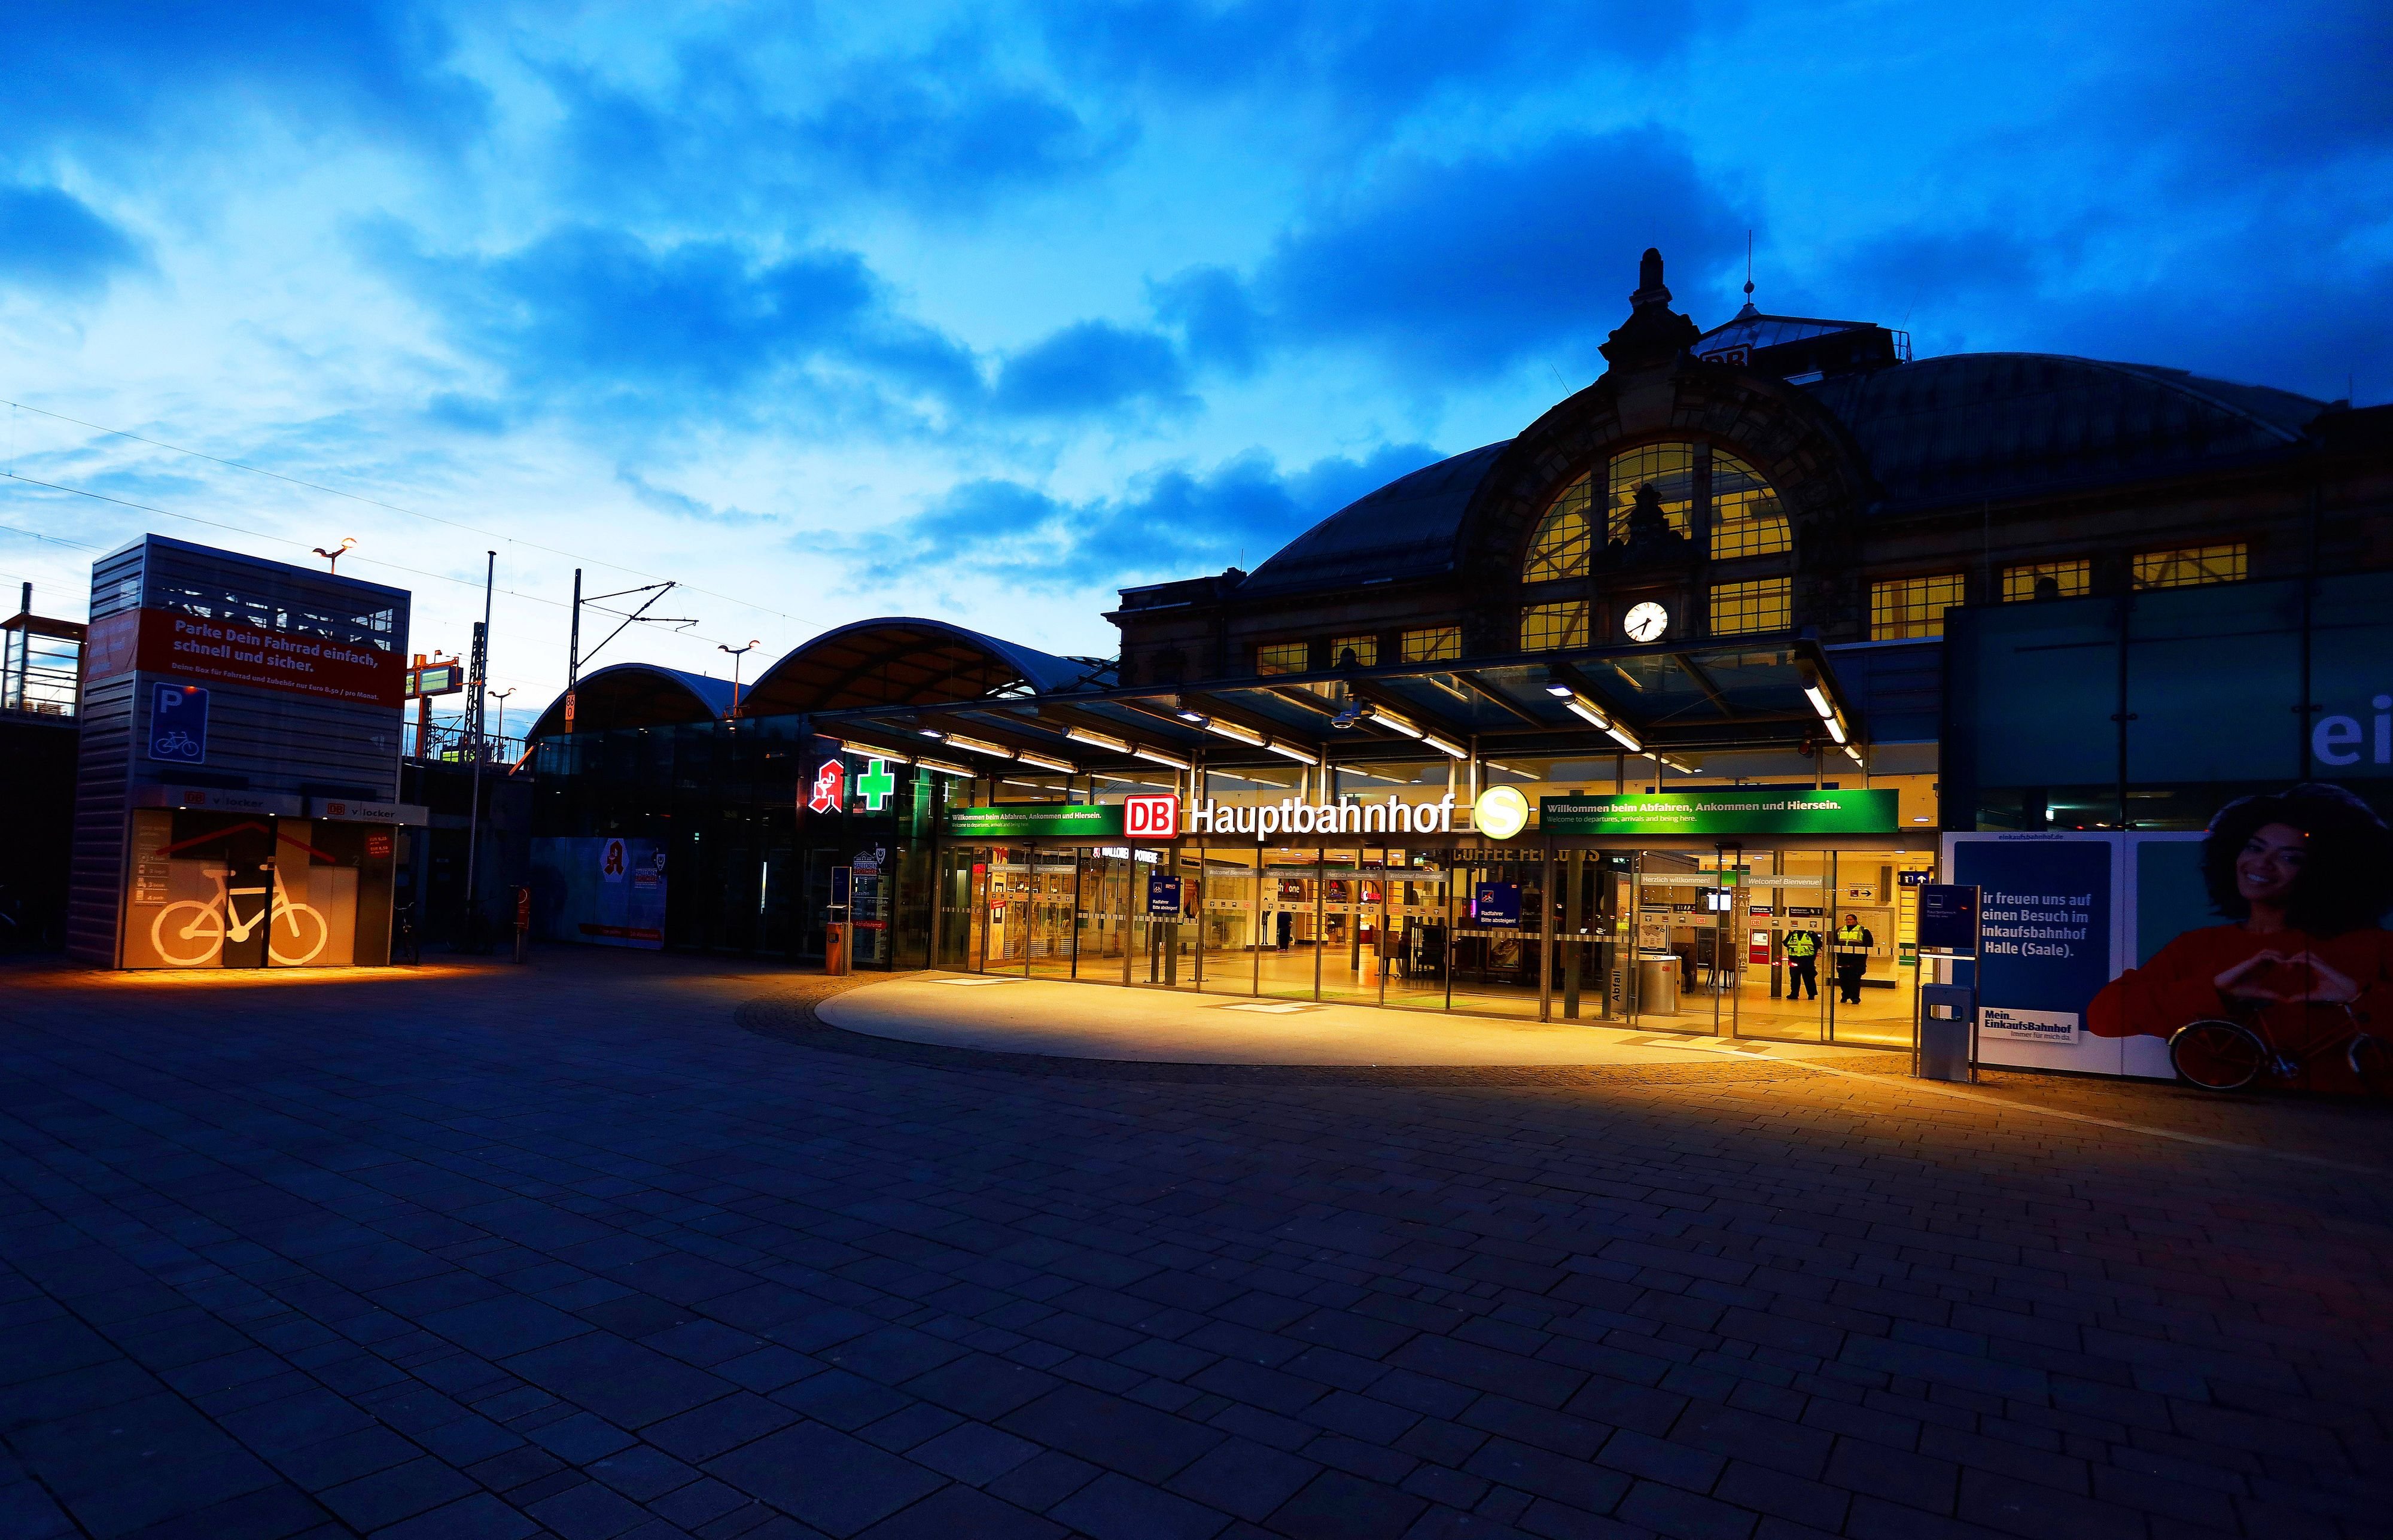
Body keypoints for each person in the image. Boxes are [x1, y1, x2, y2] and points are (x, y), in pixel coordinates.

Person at [2091, 783, 2393, 1092]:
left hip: (2348, 1124)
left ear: (2327, 872)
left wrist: (2358, 998)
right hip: (2216, 1118)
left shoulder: (2375, 946)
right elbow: (2104, 1017)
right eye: (2255, 847)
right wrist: (2214, 992)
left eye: (2291, 858)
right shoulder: (2198, 946)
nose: (2262, 863)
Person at [1832, 913, 1873, 1004]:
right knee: (1843, 980)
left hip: (1857, 961)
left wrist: (1863, 959)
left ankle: (1855, 998)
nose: (1849, 921)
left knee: (1855, 981)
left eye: (1851, 919)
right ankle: (1845, 996)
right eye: (1847, 920)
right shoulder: (1840, 931)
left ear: (1856, 921)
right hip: (1842, 961)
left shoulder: (1863, 931)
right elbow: (1835, 944)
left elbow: (1869, 945)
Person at [1782, 924, 1820, 1000]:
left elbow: (1819, 944)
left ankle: (1811, 995)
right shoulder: (1793, 934)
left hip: (1807, 960)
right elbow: (1785, 943)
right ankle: (1794, 994)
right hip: (1794, 960)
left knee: (1809, 978)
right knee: (1794, 979)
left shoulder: (1811, 934)